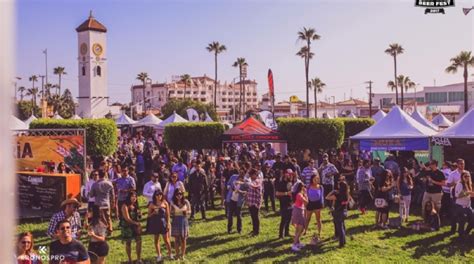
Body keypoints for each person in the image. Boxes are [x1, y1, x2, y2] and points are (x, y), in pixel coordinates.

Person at [146, 190, 173, 261]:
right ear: (155, 196)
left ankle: (170, 254)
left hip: (163, 222)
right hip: (155, 223)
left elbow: (168, 215)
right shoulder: (151, 204)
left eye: (160, 195)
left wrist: (168, 223)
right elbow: (148, 215)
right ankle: (159, 255)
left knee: (166, 240)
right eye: (157, 195)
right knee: (156, 240)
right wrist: (153, 213)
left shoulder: (165, 203)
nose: (159, 196)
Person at [120, 191, 142, 263]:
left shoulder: (135, 205)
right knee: (128, 242)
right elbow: (127, 218)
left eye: (135, 197)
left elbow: (139, 217)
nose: (134, 198)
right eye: (132, 196)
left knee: (139, 241)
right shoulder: (125, 206)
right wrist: (136, 223)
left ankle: (138, 259)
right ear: (129, 197)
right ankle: (130, 260)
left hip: (135, 225)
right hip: (127, 226)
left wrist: (139, 214)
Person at [326, 179, 350, 248]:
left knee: (340, 228)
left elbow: (327, 197)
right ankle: (344, 241)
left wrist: (333, 191)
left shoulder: (337, 194)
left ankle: (341, 243)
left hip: (338, 212)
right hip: (344, 211)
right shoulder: (346, 194)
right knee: (343, 226)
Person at [170, 190, 191, 260]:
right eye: (177, 194)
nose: (179, 196)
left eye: (180, 194)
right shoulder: (172, 203)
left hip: (184, 221)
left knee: (183, 239)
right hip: (176, 221)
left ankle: (182, 255)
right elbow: (170, 212)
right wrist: (173, 212)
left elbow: (190, 211)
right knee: (176, 239)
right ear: (175, 195)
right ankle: (177, 255)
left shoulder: (186, 202)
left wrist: (186, 212)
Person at [304, 172, 324, 243]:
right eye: (315, 179)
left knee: (318, 219)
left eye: (317, 179)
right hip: (310, 204)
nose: (316, 180)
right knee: (307, 218)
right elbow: (305, 195)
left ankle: (319, 232)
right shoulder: (308, 187)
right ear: (312, 179)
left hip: (318, 204)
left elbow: (322, 196)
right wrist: (305, 204)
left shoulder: (320, 187)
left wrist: (322, 204)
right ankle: (305, 230)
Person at [453, 171, 474, 237]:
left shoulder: (469, 184)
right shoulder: (459, 184)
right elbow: (457, 195)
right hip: (460, 206)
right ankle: (461, 235)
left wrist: (471, 194)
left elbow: (470, 194)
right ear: (462, 177)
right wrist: (466, 193)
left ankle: (466, 232)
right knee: (462, 221)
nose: (467, 178)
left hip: (468, 205)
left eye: (468, 176)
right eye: (465, 176)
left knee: (472, 219)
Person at [275, 168, 293, 238]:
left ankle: (286, 232)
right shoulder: (281, 183)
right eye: (289, 174)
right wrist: (286, 193)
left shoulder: (290, 182)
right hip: (283, 203)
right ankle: (280, 235)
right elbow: (277, 193)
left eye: (291, 174)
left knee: (289, 219)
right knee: (283, 219)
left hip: (290, 202)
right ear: (285, 174)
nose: (290, 175)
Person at [291, 182, 308, 252]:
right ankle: (294, 244)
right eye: (303, 186)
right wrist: (306, 194)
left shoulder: (298, 194)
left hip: (298, 210)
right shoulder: (299, 195)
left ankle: (298, 242)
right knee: (300, 228)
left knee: (298, 228)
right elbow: (306, 202)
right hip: (299, 211)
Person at [246, 168, 263, 236]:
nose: (250, 176)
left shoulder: (258, 181)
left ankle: (257, 231)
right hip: (251, 201)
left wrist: (248, 182)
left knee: (256, 217)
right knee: (253, 217)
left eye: (251, 175)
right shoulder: (251, 180)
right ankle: (254, 230)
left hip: (255, 202)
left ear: (255, 174)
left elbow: (254, 187)